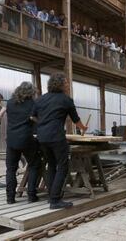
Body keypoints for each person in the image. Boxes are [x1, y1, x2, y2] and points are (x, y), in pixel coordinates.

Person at [32, 73, 88, 209]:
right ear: (61, 84)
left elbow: (32, 117)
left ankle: (52, 196)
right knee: (63, 166)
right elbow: (76, 120)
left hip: (42, 137)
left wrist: (43, 124)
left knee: (51, 165)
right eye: (67, 83)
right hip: (56, 136)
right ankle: (55, 200)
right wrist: (83, 128)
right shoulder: (66, 100)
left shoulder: (40, 99)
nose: (68, 85)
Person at [5, 82, 41, 204]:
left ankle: (10, 198)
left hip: (11, 139)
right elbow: (36, 119)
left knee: (11, 169)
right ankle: (31, 195)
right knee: (34, 164)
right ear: (31, 92)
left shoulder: (9, 103)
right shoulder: (33, 104)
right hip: (27, 139)